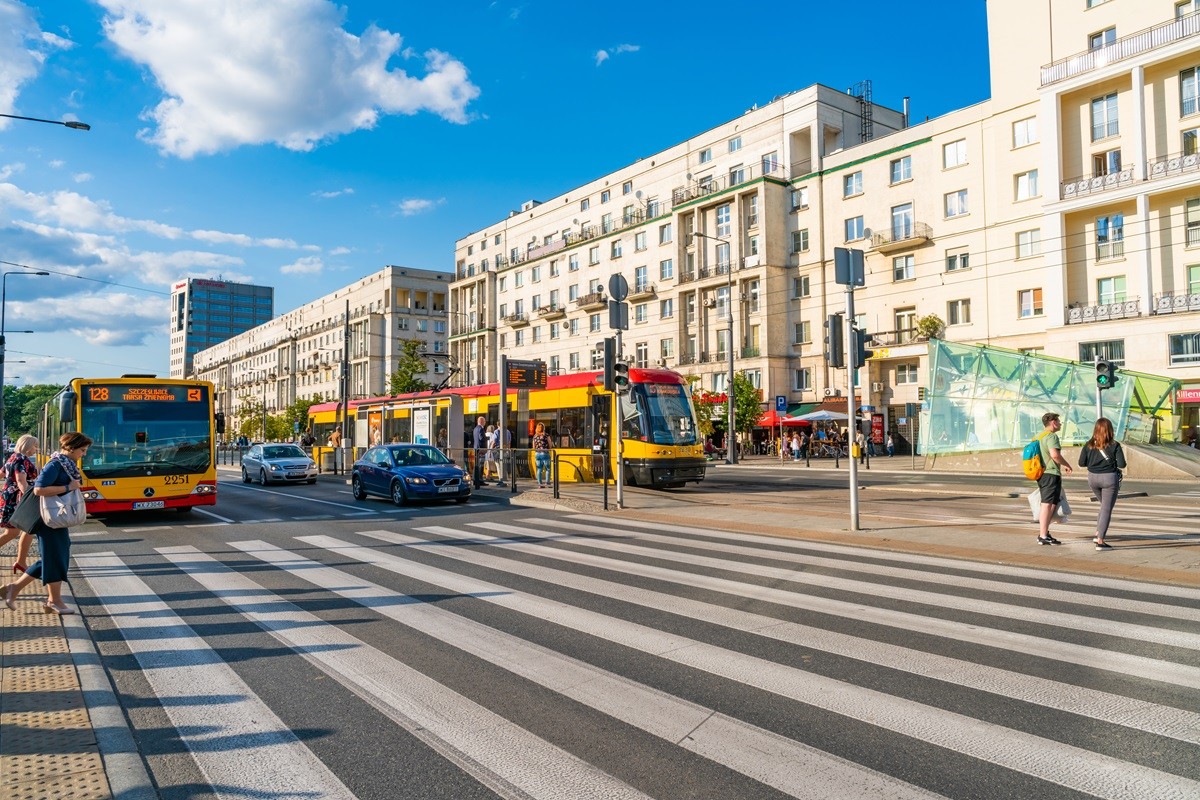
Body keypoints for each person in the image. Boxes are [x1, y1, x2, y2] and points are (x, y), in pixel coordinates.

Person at [4, 432, 93, 615]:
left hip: (56, 519)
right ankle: (53, 601)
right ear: (71, 447)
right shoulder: (55, 464)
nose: (83, 454)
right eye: (82, 450)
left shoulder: (66, 464)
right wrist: (69, 487)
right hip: (48, 521)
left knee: (55, 557)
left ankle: (15, 588)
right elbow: (38, 489)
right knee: (55, 558)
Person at [1078, 418, 1126, 551]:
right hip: (1109, 478)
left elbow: (1081, 463)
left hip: (1092, 478)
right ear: (1110, 430)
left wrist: (1094, 464)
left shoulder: (1088, 445)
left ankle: (1098, 533)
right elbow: (1122, 464)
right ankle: (1100, 541)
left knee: (1104, 506)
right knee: (1106, 509)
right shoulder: (1114, 445)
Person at [0, 434, 40, 577]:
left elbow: (1, 473)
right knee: (24, 530)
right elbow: (21, 482)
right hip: (18, 499)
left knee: (17, 531)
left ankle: (21, 561)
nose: (36, 449)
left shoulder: (12, 457)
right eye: (35, 446)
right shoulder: (22, 459)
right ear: (27, 446)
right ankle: (21, 561)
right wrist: (32, 498)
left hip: (9, 497)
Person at [1035, 412, 1073, 546]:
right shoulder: (1051, 436)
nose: (1060, 423)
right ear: (1053, 422)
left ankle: (1044, 533)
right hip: (1051, 474)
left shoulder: (1039, 436)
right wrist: (1067, 465)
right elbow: (1055, 455)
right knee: (1047, 504)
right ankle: (1043, 535)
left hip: (1042, 473)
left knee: (1049, 504)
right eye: (1058, 420)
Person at [532, 422, 552, 488]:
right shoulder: (546, 435)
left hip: (537, 454)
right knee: (548, 469)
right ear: (543, 428)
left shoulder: (535, 436)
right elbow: (550, 445)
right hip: (545, 453)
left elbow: (533, 447)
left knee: (539, 469)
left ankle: (540, 484)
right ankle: (547, 483)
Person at [472, 415, 488, 487]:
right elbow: (481, 438)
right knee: (480, 466)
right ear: (481, 421)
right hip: (481, 450)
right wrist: (486, 438)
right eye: (484, 421)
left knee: (476, 465)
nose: (485, 423)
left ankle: (475, 479)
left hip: (476, 449)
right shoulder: (481, 429)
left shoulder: (475, 429)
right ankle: (480, 481)